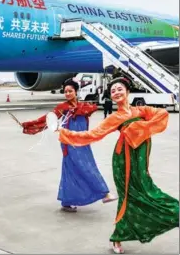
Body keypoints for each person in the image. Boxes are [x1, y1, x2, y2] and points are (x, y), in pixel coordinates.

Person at [58, 77, 179, 254]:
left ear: (128, 91)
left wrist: (139, 128)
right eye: (113, 90)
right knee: (128, 197)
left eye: (119, 88)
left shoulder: (142, 110)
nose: (116, 92)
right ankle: (118, 237)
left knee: (147, 191)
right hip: (124, 160)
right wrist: (65, 134)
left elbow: (162, 115)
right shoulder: (115, 117)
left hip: (140, 161)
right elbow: (93, 134)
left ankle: (172, 214)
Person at [21, 79, 116, 212]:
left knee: (71, 169)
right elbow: (47, 119)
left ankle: (67, 201)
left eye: (70, 91)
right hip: (69, 143)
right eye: (65, 91)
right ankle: (104, 193)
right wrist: (28, 125)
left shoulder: (83, 107)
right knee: (85, 166)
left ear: (76, 92)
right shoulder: (62, 108)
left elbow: (92, 108)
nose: (68, 94)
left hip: (83, 141)